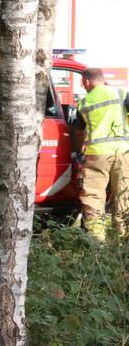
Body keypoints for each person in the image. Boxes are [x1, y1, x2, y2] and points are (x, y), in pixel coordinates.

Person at [71, 68, 129, 240]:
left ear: (87, 81)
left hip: (97, 155)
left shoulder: (85, 103)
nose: (83, 87)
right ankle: (122, 241)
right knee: (123, 196)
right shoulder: (121, 93)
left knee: (93, 197)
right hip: (123, 152)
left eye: (83, 84)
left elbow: (79, 133)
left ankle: (97, 242)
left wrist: (78, 152)